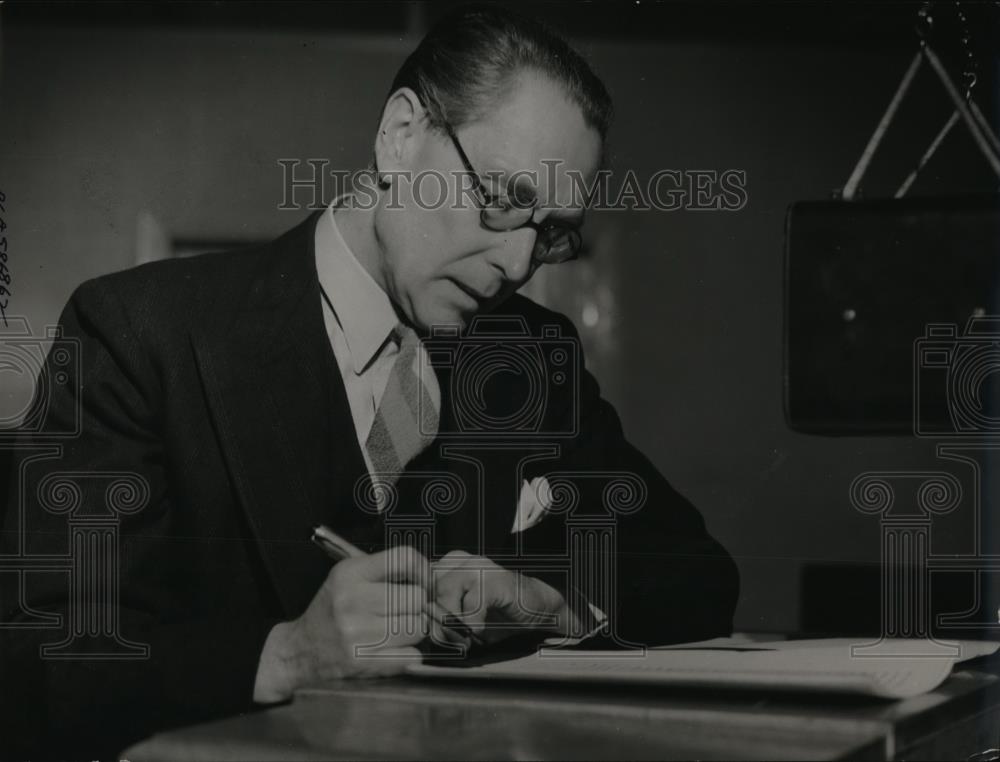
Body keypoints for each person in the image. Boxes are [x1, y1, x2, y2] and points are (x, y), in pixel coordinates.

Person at [0, 5, 738, 758]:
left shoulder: (532, 352)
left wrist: (544, 599)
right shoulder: (137, 332)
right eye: (502, 199)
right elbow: (39, 664)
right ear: (400, 134)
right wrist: (285, 655)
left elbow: (699, 574)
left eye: (549, 230)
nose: (518, 265)